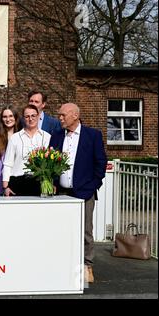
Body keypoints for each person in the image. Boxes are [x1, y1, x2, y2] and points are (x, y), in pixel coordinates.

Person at [49, 102, 107, 284]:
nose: (60, 118)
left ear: (75, 115)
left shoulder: (93, 135)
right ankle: (63, 264)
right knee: (62, 230)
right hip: (61, 193)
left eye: (62, 115)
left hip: (84, 192)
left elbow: (100, 164)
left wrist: (92, 187)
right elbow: (51, 163)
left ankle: (87, 266)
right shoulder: (57, 136)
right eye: (59, 115)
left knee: (85, 232)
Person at [1, 104, 51, 197]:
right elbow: (8, 163)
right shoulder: (15, 138)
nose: (30, 119)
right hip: (17, 183)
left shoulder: (47, 137)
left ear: (38, 116)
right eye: (27, 116)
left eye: (33, 116)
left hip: (39, 183)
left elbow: (50, 165)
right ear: (23, 118)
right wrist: (5, 187)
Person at [0, 106, 20, 195]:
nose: (8, 119)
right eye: (5, 117)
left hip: (14, 180)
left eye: (11, 116)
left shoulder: (20, 135)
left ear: (15, 118)